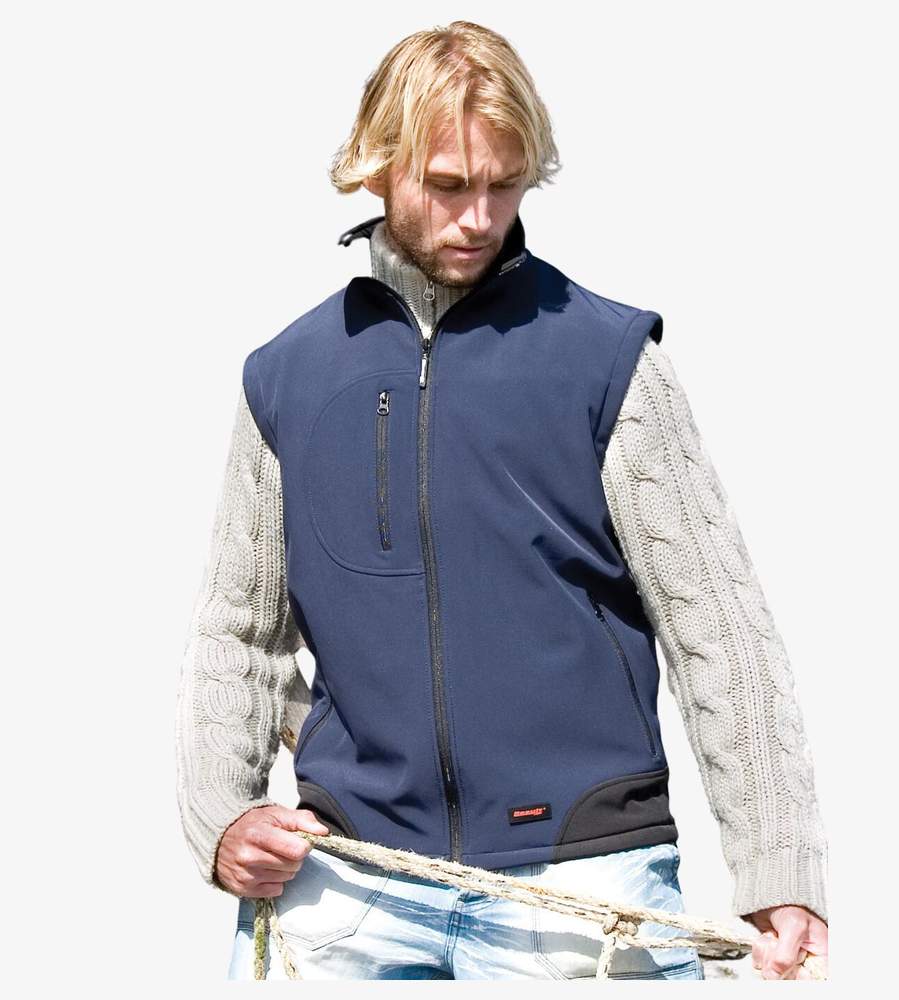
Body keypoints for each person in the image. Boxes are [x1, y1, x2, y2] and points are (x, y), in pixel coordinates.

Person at [175, 20, 829, 981]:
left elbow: (720, 631)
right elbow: (239, 633)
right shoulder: (287, 378)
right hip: (348, 889)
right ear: (377, 168)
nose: (479, 217)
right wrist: (223, 819)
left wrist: (779, 866)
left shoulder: (607, 361)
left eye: (505, 183)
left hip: (584, 884)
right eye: (447, 185)